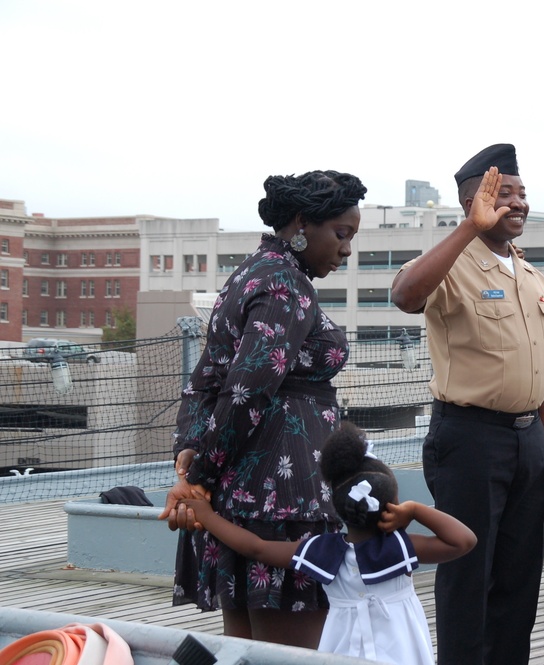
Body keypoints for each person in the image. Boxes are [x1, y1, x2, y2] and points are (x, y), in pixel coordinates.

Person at [158, 170, 367, 648]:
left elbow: (204, 381)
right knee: (291, 656)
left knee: (247, 651)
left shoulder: (248, 274)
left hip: (247, 494)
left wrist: (193, 457)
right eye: (341, 234)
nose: (347, 250)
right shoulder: (285, 286)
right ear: (300, 224)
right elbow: (246, 391)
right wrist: (196, 480)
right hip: (282, 495)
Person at [390, 144, 544, 665]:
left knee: (518, 577)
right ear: (474, 203)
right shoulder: (453, 264)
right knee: (468, 574)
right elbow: (403, 294)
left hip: (528, 439)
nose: (518, 203)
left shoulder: (530, 275)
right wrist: (468, 228)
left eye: (522, 193)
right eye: (502, 194)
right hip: (470, 438)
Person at [169, 422, 477, 665]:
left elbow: (255, 548)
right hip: (401, 651)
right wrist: (417, 509)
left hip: (341, 654)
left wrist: (207, 516)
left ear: (338, 508)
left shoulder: (323, 550)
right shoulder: (399, 548)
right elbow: (464, 540)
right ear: (391, 507)